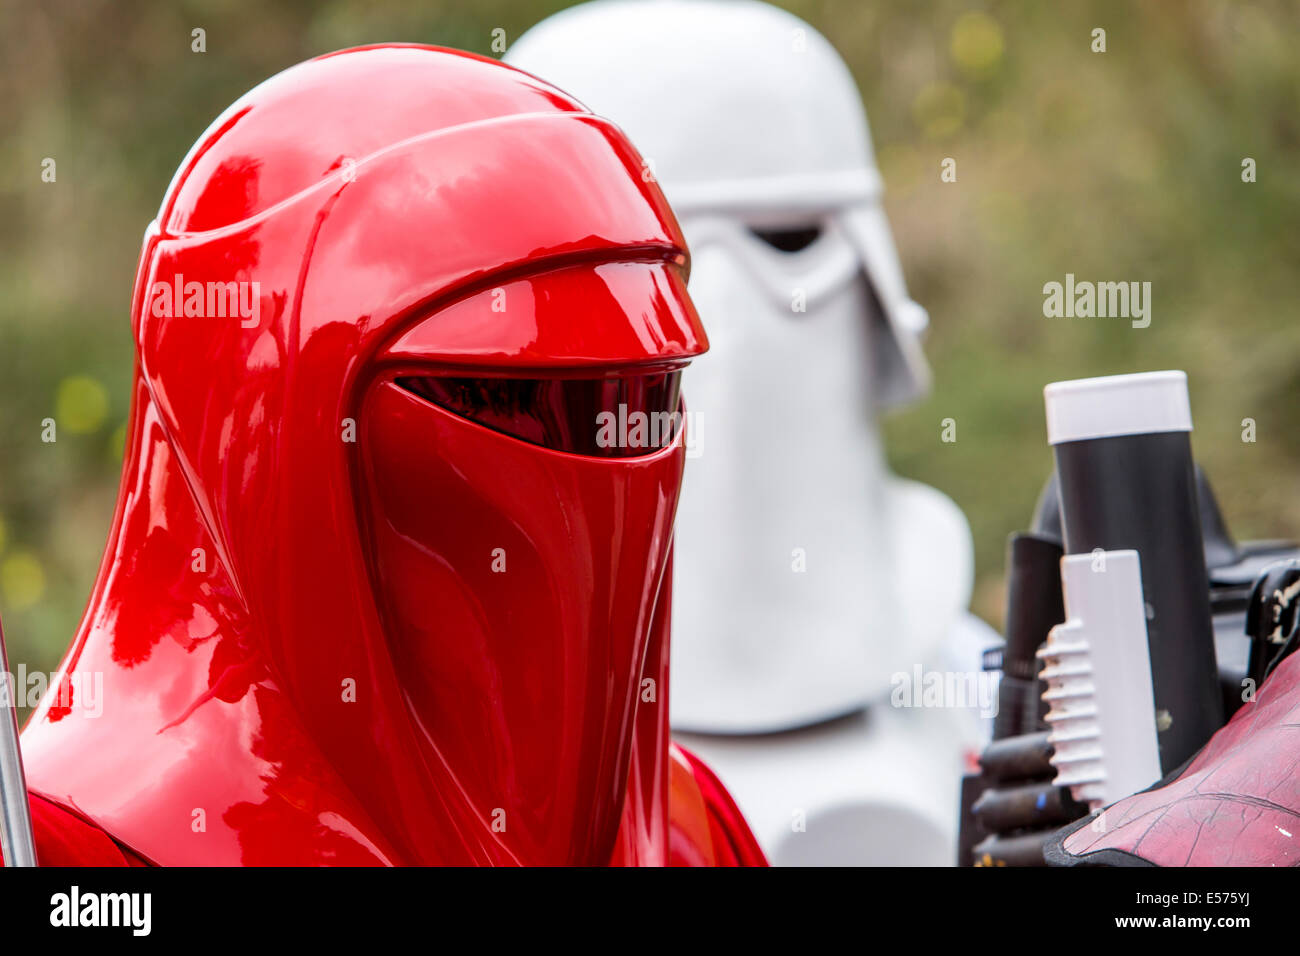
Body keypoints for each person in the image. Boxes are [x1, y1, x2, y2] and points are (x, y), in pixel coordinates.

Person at [8, 44, 764, 866]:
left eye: (639, 401)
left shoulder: (697, 829)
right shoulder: (65, 857)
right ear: (279, 414)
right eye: (510, 400)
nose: (607, 454)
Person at [508, 0, 997, 864]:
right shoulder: (476, 743)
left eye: (784, 241)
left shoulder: (975, 685)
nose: (712, 332)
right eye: (647, 275)